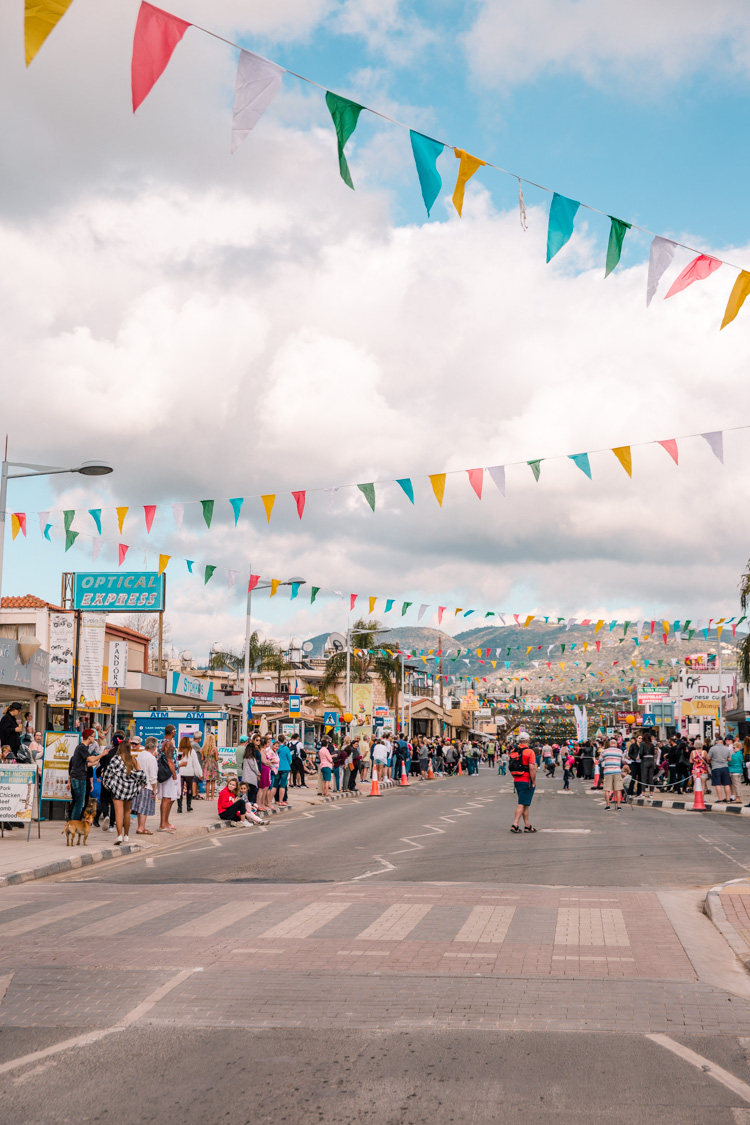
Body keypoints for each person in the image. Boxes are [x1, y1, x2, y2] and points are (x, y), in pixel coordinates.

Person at [101, 738, 146, 845]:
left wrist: (108, 786)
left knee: (118, 812)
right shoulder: (133, 760)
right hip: (129, 790)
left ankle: (119, 836)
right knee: (127, 812)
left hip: (117, 790)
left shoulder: (115, 759)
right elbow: (141, 775)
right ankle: (126, 836)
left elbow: (107, 774)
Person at [68, 728, 103, 823]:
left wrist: (97, 760)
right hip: (79, 777)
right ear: (88, 737)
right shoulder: (82, 747)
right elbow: (91, 760)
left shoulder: (83, 748)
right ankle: (74, 821)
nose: (94, 738)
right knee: (80, 802)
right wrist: (102, 754)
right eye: (93, 736)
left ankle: (74, 820)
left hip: (79, 776)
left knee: (79, 802)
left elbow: (86, 764)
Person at [509, 738, 537, 833]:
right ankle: (515, 824)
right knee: (522, 803)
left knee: (525, 803)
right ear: (528, 741)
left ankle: (527, 825)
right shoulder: (530, 751)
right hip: (526, 779)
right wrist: (533, 781)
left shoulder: (514, 751)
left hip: (517, 779)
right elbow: (532, 768)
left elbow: (511, 765)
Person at [131, 736, 159, 834]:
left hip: (138, 784)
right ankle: (141, 827)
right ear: (154, 747)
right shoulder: (151, 758)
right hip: (147, 785)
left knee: (139, 807)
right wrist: (155, 789)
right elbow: (153, 776)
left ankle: (140, 826)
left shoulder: (140, 755)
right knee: (144, 807)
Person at [157, 725, 180, 832]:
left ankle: (166, 822)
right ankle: (163, 824)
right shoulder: (169, 743)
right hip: (169, 773)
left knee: (170, 798)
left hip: (166, 772)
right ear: (172, 732)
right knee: (167, 798)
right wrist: (174, 774)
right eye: (175, 731)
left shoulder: (162, 742)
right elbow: (170, 760)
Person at [176, 736, 202, 813]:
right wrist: (199, 773)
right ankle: (188, 806)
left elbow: (178, 761)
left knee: (180, 790)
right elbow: (196, 763)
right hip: (189, 773)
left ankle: (179, 807)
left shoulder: (179, 751)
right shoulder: (192, 751)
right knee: (189, 789)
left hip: (181, 772)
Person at [600, 738, 626, 810]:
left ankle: (608, 805)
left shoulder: (604, 751)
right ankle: (618, 806)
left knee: (607, 789)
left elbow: (600, 760)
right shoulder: (620, 751)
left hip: (607, 772)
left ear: (610, 744)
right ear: (616, 744)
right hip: (617, 771)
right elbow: (623, 761)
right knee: (618, 789)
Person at [707, 737, 733, 803]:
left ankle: (720, 799)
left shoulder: (712, 749)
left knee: (717, 784)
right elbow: (729, 759)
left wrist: (710, 761)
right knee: (726, 784)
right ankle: (727, 799)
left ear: (716, 741)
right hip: (725, 767)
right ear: (722, 741)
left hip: (716, 768)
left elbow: (708, 758)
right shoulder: (726, 749)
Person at [201, 732, 220, 800]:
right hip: (213, 766)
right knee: (213, 782)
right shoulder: (215, 749)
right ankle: (212, 797)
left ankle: (207, 797)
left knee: (207, 782)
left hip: (206, 766)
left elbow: (202, 759)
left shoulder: (203, 749)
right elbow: (217, 759)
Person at [274, 735, 292, 806]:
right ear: (284, 740)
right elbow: (289, 759)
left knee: (275, 784)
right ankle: (282, 800)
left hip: (277, 768)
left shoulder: (276, 748)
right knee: (283, 785)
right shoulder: (286, 748)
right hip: (285, 768)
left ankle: (276, 799)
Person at [241, 740, 260, 804]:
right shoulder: (251, 758)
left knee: (247, 794)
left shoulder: (245, 758)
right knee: (252, 794)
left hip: (245, 778)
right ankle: (251, 807)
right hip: (251, 778)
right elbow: (253, 767)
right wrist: (258, 773)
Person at [729, 740, 745, 804]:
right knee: (739, 785)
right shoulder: (741, 754)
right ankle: (739, 798)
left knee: (736, 786)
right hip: (740, 771)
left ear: (738, 748)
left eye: (734, 747)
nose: (733, 749)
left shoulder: (735, 755)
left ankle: (738, 798)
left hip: (734, 771)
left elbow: (730, 762)